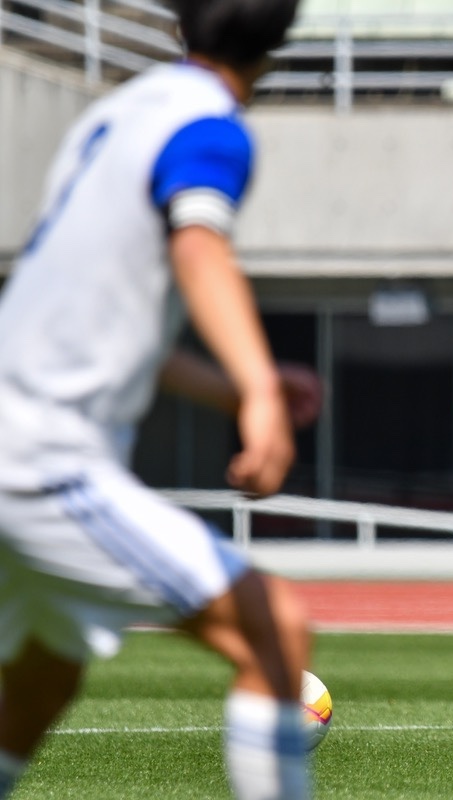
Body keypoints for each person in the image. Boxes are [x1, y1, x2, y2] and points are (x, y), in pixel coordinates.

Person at [0, 1, 317, 797]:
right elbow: (199, 247)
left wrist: (236, 389)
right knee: (273, 629)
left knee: (44, 673)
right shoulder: (211, 127)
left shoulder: (113, 118)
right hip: (38, 453)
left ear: (179, 23)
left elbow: (104, 315)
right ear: (280, 42)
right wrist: (258, 391)